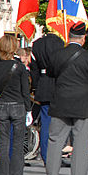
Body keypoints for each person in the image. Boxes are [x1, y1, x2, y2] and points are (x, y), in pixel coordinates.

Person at [40, 23, 88, 175]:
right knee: (81, 143)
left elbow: (51, 73)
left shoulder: (58, 55)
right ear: (83, 39)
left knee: (55, 140)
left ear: (69, 37)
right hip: (84, 104)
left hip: (61, 102)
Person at [0, 35, 32, 175]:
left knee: (3, 143)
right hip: (18, 105)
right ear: (14, 48)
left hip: (2, 106)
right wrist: (28, 110)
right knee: (18, 144)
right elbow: (25, 90)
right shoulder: (19, 67)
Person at [30, 30, 64, 163]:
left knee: (45, 122)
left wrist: (36, 86)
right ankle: (55, 155)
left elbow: (34, 69)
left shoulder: (36, 44)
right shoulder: (60, 43)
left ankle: (45, 154)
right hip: (57, 83)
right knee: (58, 124)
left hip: (43, 83)